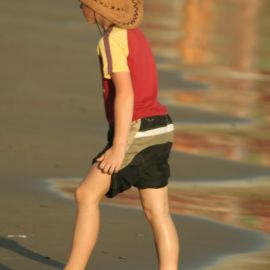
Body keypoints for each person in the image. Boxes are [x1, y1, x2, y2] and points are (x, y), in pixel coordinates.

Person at [64, 0, 180, 269]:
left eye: (83, 3)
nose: (80, 7)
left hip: (135, 129)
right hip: (161, 127)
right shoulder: (135, 36)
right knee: (157, 212)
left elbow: (126, 93)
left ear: (99, 8)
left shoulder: (111, 40)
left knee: (86, 194)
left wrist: (118, 146)